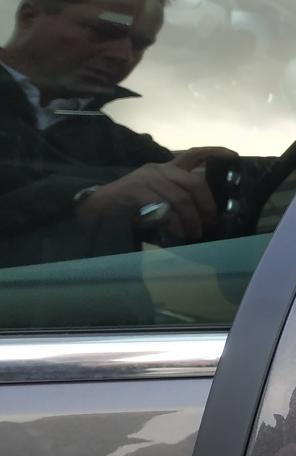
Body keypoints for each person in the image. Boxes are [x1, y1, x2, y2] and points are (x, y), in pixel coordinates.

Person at [0, 0, 233, 266]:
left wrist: (236, 193)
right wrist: (83, 201)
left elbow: (219, 245)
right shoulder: (130, 157)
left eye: (139, 45)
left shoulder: (131, 150)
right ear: (29, 17)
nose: (124, 55)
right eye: (104, 31)